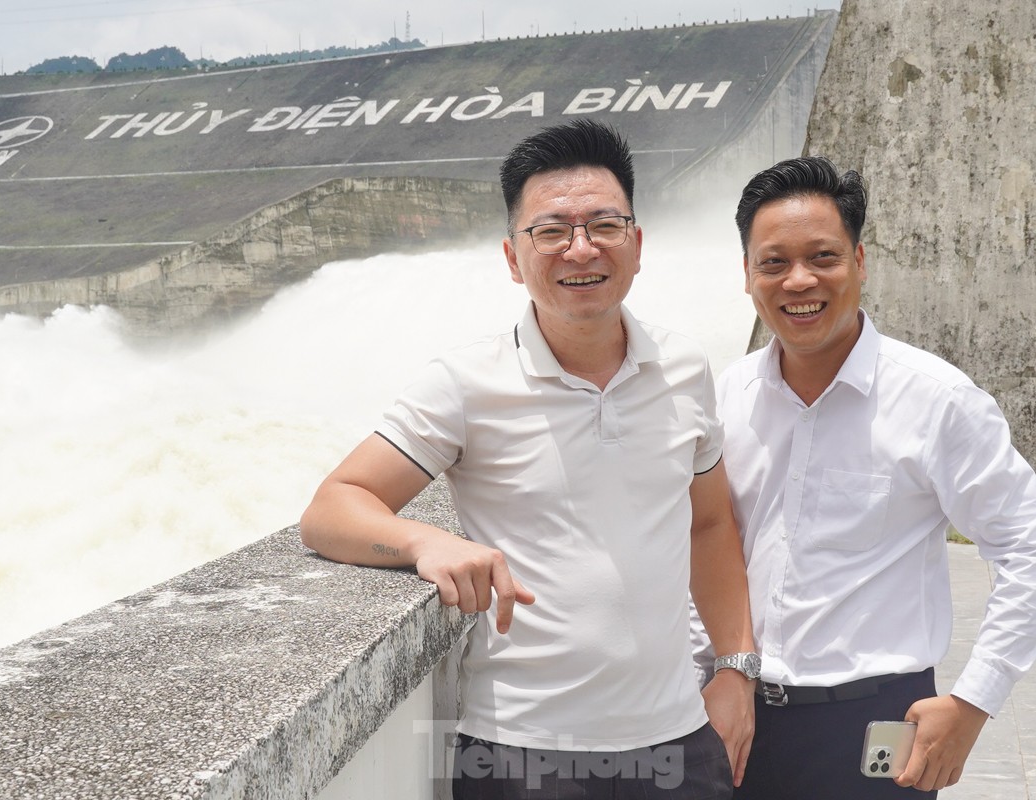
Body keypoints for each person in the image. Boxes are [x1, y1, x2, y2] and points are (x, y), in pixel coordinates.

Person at [300, 119, 757, 799]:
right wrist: (426, 542)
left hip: (679, 743)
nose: (581, 248)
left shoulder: (684, 369)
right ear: (515, 258)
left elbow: (709, 522)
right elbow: (331, 508)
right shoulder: (464, 384)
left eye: (604, 225)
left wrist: (735, 669)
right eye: (552, 230)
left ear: (636, 246)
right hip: (522, 754)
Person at [694, 156, 1036, 799]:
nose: (799, 280)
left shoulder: (937, 400)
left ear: (860, 262)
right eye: (774, 262)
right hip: (733, 708)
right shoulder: (726, 396)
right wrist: (705, 673)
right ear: (748, 275)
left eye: (823, 257)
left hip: (871, 727)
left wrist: (974, 701)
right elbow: (705, 543)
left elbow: (1031, 550)